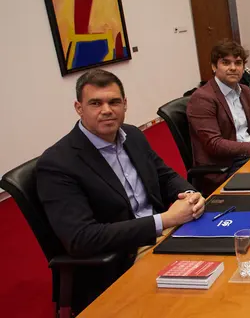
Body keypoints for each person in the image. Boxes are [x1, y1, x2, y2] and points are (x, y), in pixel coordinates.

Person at [36, 69, 204, 312]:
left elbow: (164, 175)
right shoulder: (58, 163)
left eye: (114, 102)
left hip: (165, 235)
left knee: (238, 251)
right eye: (95, 103)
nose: (106, 110)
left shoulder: (132, 135)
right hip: (121, 257)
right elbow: (82, 238)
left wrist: (189, 195)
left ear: (125, 104)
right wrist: (166, 219)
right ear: (79, 108)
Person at [187, 40, 250, 173]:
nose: (233, 68)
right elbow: (214, 144)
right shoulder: (202, 98)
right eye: (226, 63)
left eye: (238, 63)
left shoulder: (245, 91)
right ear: (214, 67)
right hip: (227, 166)